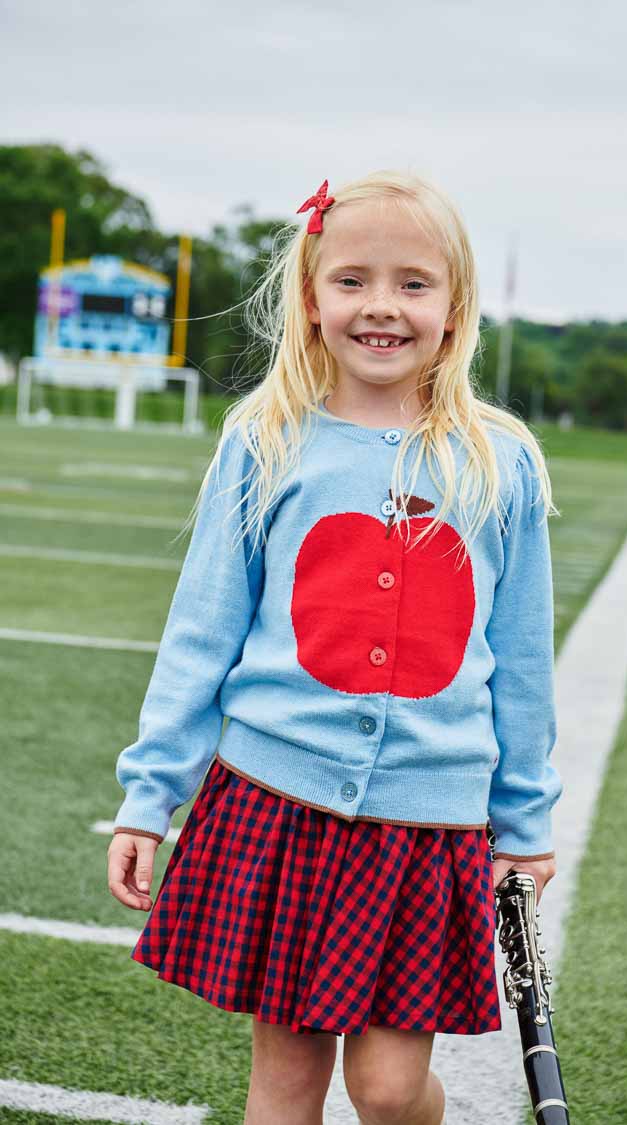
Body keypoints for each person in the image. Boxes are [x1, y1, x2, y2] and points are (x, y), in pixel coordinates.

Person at [107, 169, 563, 1125]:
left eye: (412, 282)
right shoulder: (266, 438)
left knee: (391, 1091)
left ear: (455, 304)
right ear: (311, 299)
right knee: (286, 1084)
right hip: (280, 802)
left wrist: (523, 823)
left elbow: (521, 662)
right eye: (352, 280)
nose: (381, 307)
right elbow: (202, 632)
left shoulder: (497, 458)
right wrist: (152, 796)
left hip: (425, 825)